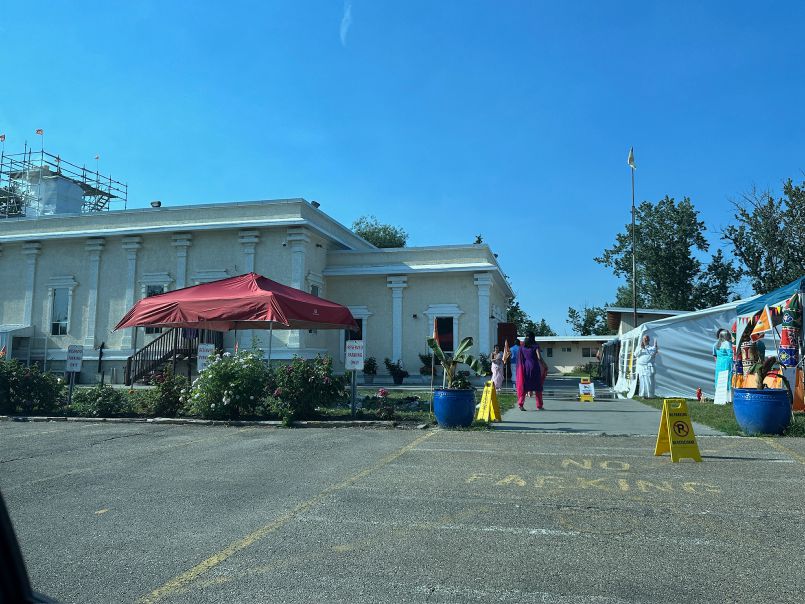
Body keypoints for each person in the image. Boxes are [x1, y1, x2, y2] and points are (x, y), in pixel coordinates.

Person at [516, 332, 546, 411]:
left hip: (525, 367)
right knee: (538, 386)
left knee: (525, 386)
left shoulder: (522, 347)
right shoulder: (535, 346)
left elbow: (520, 358)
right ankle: (539, 405)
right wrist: (544, 365)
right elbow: (539, 357)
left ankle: (520, 404)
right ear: (533, 337)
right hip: (534, 366)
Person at [635, 333, 658, 398]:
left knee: (649, 381)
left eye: (647, 338)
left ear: (649, 340)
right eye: (644, 339)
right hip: (641, 367)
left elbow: (653, 354)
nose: (646, 340)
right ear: (642, 340)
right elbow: (635, 355)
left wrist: (655, 346)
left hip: (648, 367)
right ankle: (643, 394)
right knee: (642, 381)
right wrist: (641, 348)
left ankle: (650, 395)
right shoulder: (638, 347)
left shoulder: (651, 347)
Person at [712, 329, 733, 393]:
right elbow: (731, 355)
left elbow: (715, 356)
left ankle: (719, 395)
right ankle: (727, 396)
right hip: (726, 363)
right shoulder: (727, 343)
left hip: (719, 364)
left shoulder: (716, 344)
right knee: (727, 378)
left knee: (719, 379)